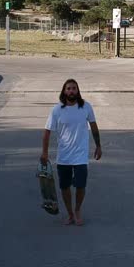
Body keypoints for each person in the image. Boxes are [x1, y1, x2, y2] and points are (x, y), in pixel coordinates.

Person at [41, 78, 102, 226]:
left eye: (74, 88)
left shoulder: (86, 107)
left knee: (81, 186)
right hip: (64, 157)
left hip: (81, 156)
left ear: (78, 91)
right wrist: (44, 153)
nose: (71, 91)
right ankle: (69, 213)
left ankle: (77, 210)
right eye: (68, 88)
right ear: (64, 91)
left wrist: (98, 145)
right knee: (64, 187)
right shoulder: (57, 110)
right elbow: (47, 132)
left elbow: (93, 126)